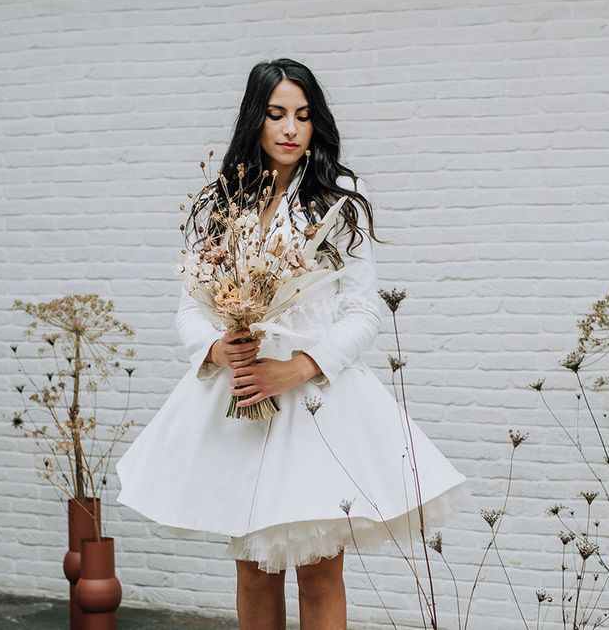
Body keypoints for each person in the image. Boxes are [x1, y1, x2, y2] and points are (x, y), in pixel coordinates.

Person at [116, 58, 466, 629]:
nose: (289, 129)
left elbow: (362, 311)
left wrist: (299, 366)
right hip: (243, 397)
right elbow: (191, 306)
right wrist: (215, 349)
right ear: (255, 119)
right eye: (276, 114)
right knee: (254, 569)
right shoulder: (222, 200)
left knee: (319, 569)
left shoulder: (340, 198)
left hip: (316, 403)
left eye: (303, 116)